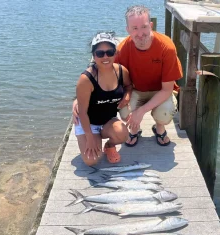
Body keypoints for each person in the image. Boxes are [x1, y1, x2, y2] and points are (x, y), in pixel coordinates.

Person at [73, 5, 183, 147]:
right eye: (134, 28)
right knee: (124, 111)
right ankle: (135, 129)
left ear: (151, 25)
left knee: (164, 114)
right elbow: (100, 67)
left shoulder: (166, 47)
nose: (140, 33)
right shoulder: (123, 48)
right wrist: (78, 99)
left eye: (144, 27)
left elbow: (167, 89)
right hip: (136, 90)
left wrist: (142, 111)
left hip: (161, 91)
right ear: (128, 30)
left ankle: (159, 128)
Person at [74, 32, 131, 166]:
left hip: (108, 121)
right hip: (88, 123)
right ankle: (92, 138)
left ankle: (109, 146)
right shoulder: (86, 79)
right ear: (94, 55)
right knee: (91, 161)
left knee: (123, 134)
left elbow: (128, 86)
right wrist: (89, 138)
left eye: (110, 52)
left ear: (115, 53)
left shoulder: (122, 71)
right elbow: (82, 112)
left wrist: (127, 96)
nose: (105, 57)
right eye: (100, 53)